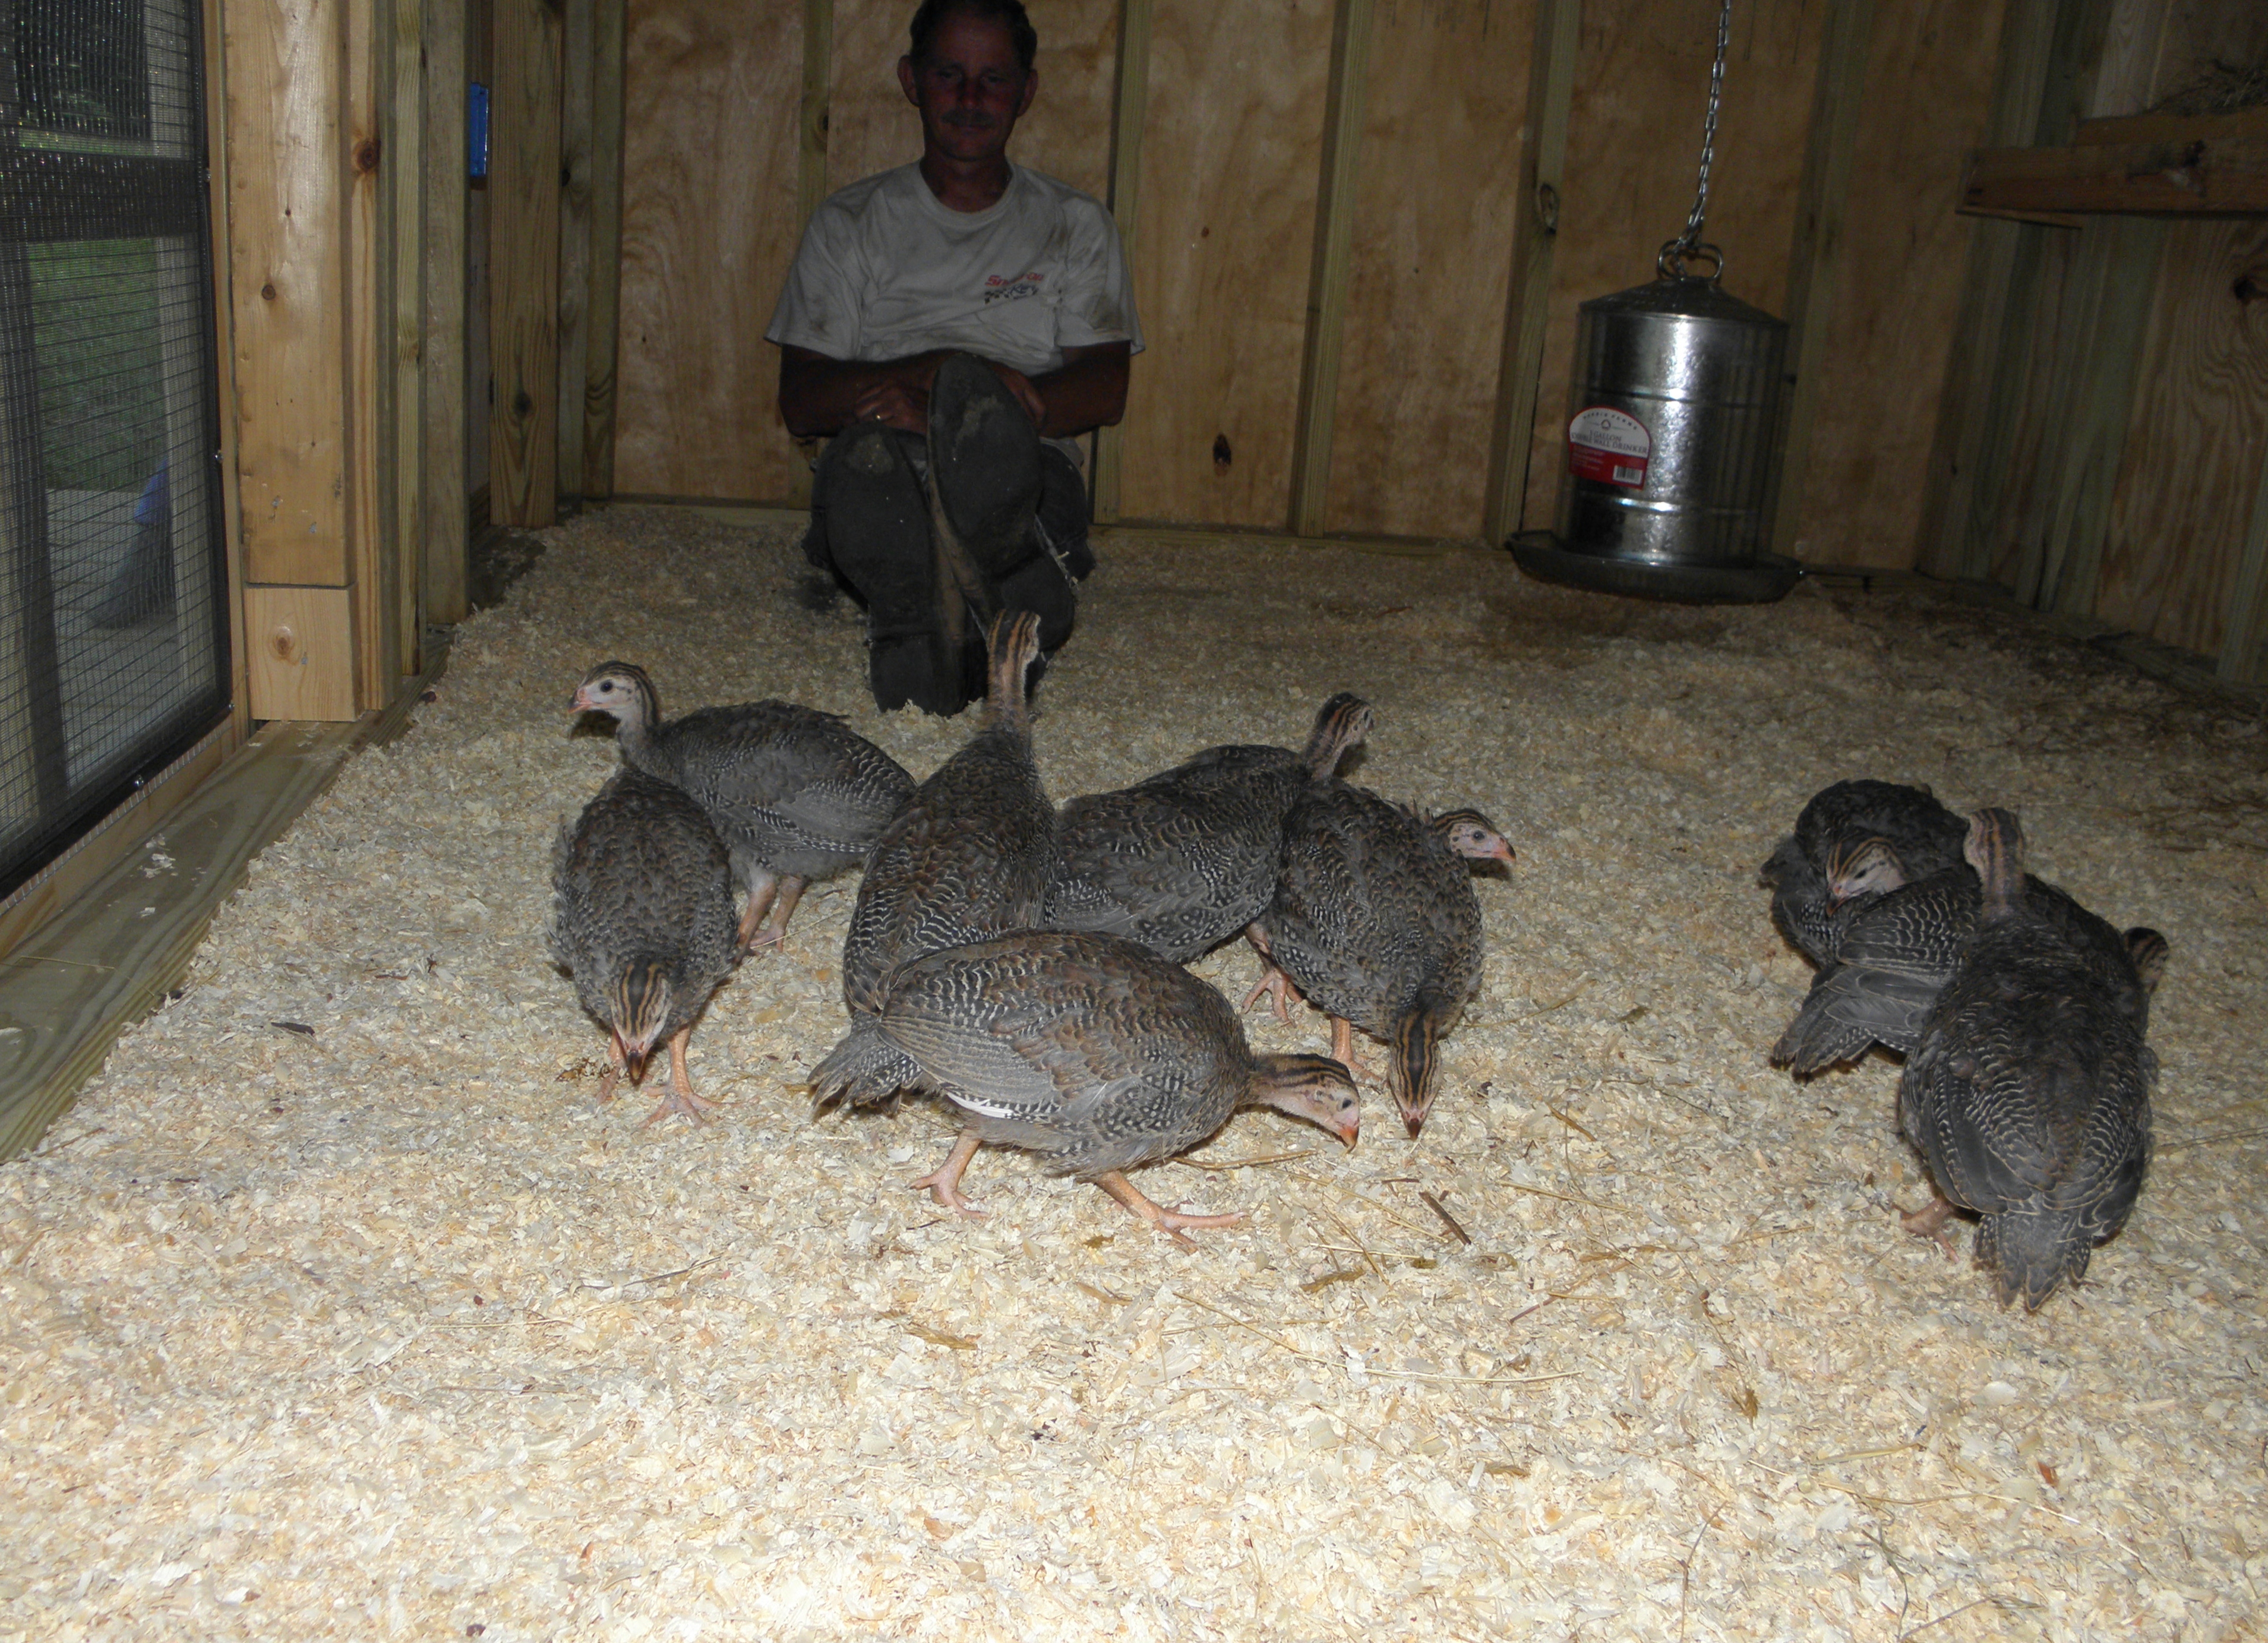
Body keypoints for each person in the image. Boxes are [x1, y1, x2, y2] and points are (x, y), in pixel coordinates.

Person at [767, 0, 1141, 715]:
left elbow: (1103, 388)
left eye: (993, 79)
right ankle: (982, 614)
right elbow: (802, 397)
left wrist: (973, 415)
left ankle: (941, 612)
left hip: (1023, 465)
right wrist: (937, 380)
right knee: (870, 468)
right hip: (884, 457)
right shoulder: (849, 222)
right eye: (949, 74)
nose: (970, 99)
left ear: (1025, 92)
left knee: (992, 476)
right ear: (912, 80)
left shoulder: (1073, 225)